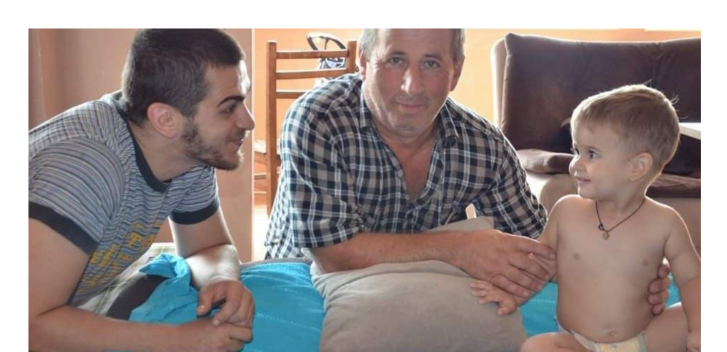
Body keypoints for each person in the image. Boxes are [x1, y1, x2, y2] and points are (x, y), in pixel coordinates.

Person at [265, 29, 671, 315]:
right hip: (300, 289)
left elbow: (540, 251)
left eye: (431, 63)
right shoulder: (318, 118)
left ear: (455, 71)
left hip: (414, 300)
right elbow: (333, 254)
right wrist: (458, 248)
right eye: (395, 60)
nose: (412, 85)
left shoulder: (484, 145)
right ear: (363, 63)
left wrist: (628, 276)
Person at [29, 29, 255, 352]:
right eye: (229, 108)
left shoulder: (188, 153)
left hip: (59, 297)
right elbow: (28, 321)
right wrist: (178, 343)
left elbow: (207, 247)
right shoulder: (84, 166)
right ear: (165, 119)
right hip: (29, 314)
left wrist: (220, 278)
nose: (248, 121)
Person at [471, 85, 701, 352]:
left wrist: (698, 330)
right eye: (576, 150)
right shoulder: (566, 211)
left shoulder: (665, 222)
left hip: (648, 339)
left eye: (591, 154)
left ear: (637, 167)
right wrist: (511, 293)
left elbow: (692, 278)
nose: (575, 164)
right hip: (579, 345)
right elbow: (538, 265)